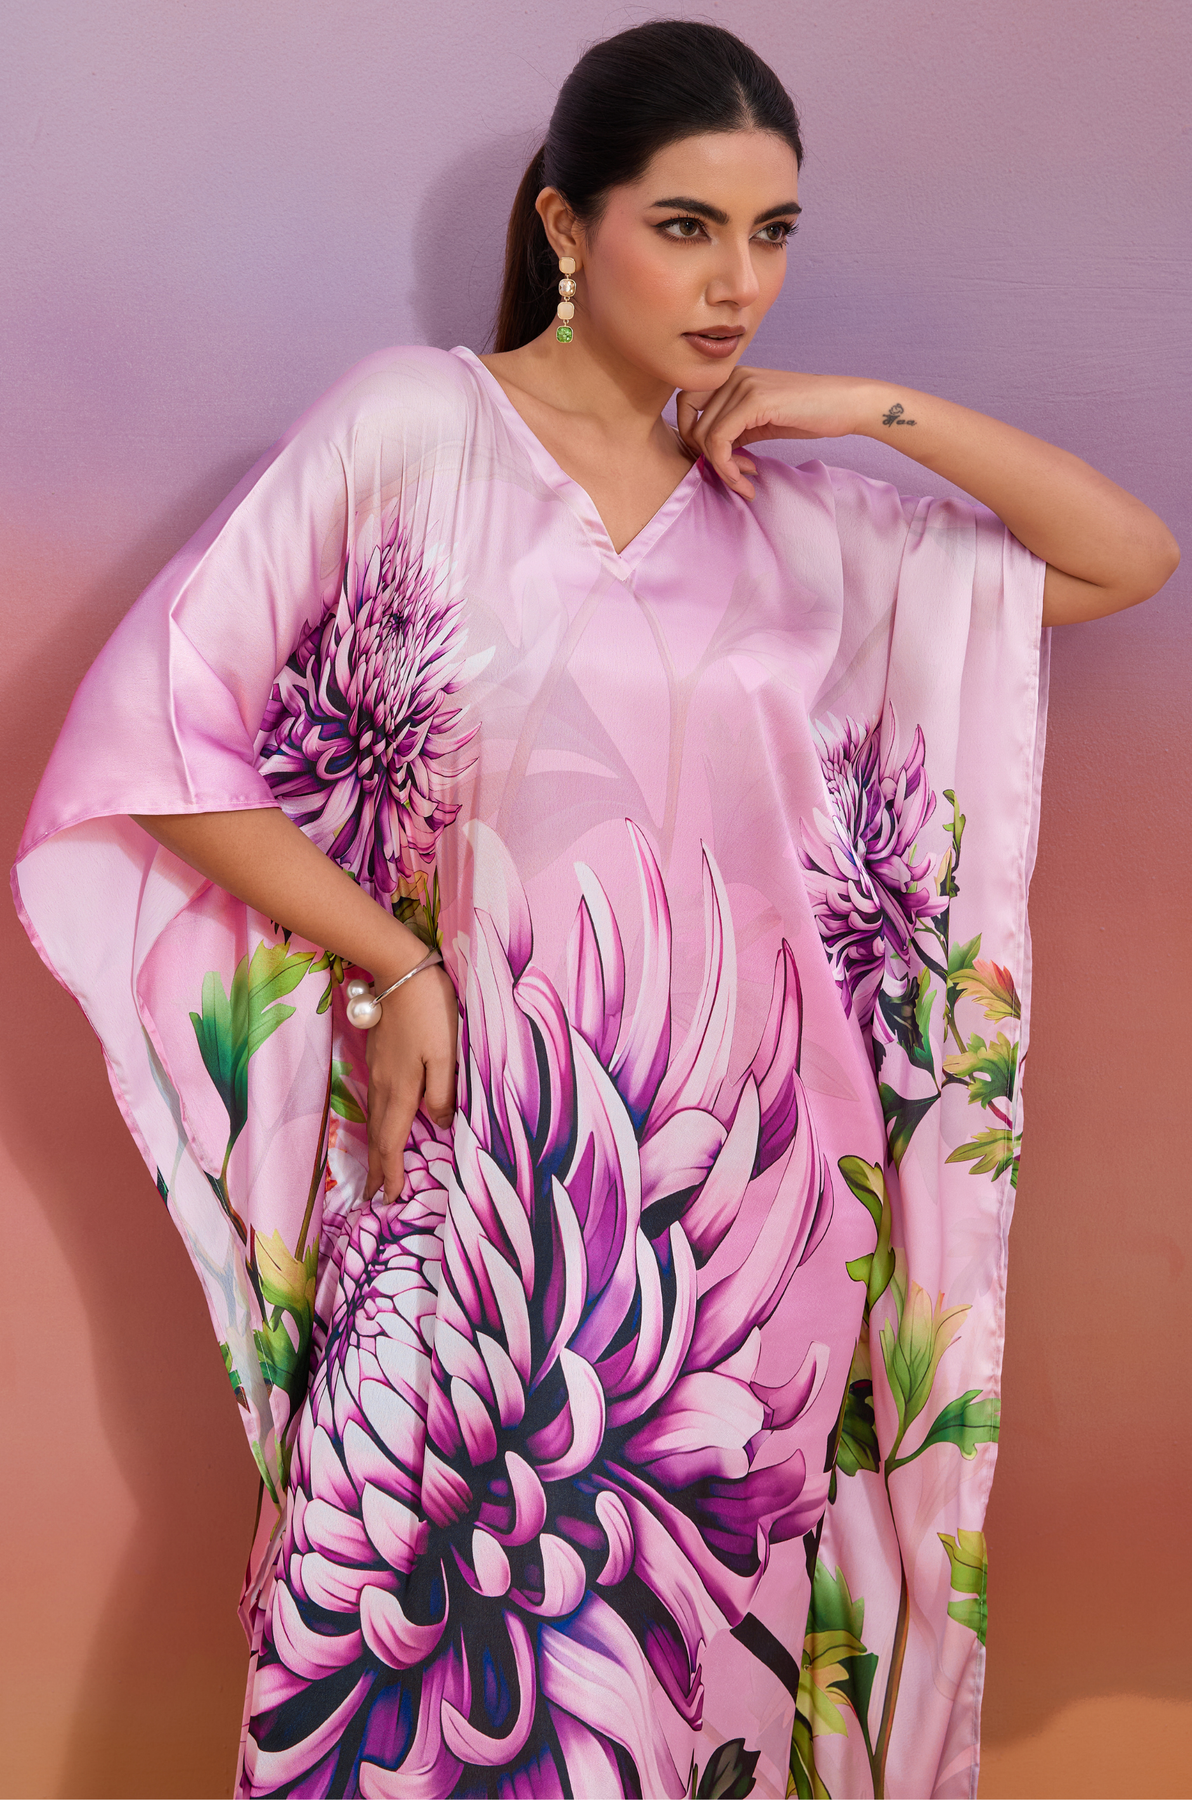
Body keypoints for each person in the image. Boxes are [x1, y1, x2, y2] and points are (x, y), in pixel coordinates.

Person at [12, 19, 1176, 1800]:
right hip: (477, 1202)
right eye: (686, 226)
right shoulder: (419, 430)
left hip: (752, 1238)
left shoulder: (794, 524)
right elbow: (161, 738)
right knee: (429, 1687)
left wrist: (860, 408)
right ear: (569, 224)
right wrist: (394, 957)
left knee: (700, 1716)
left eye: (771, 234)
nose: (736, 283)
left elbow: (1123, 558)